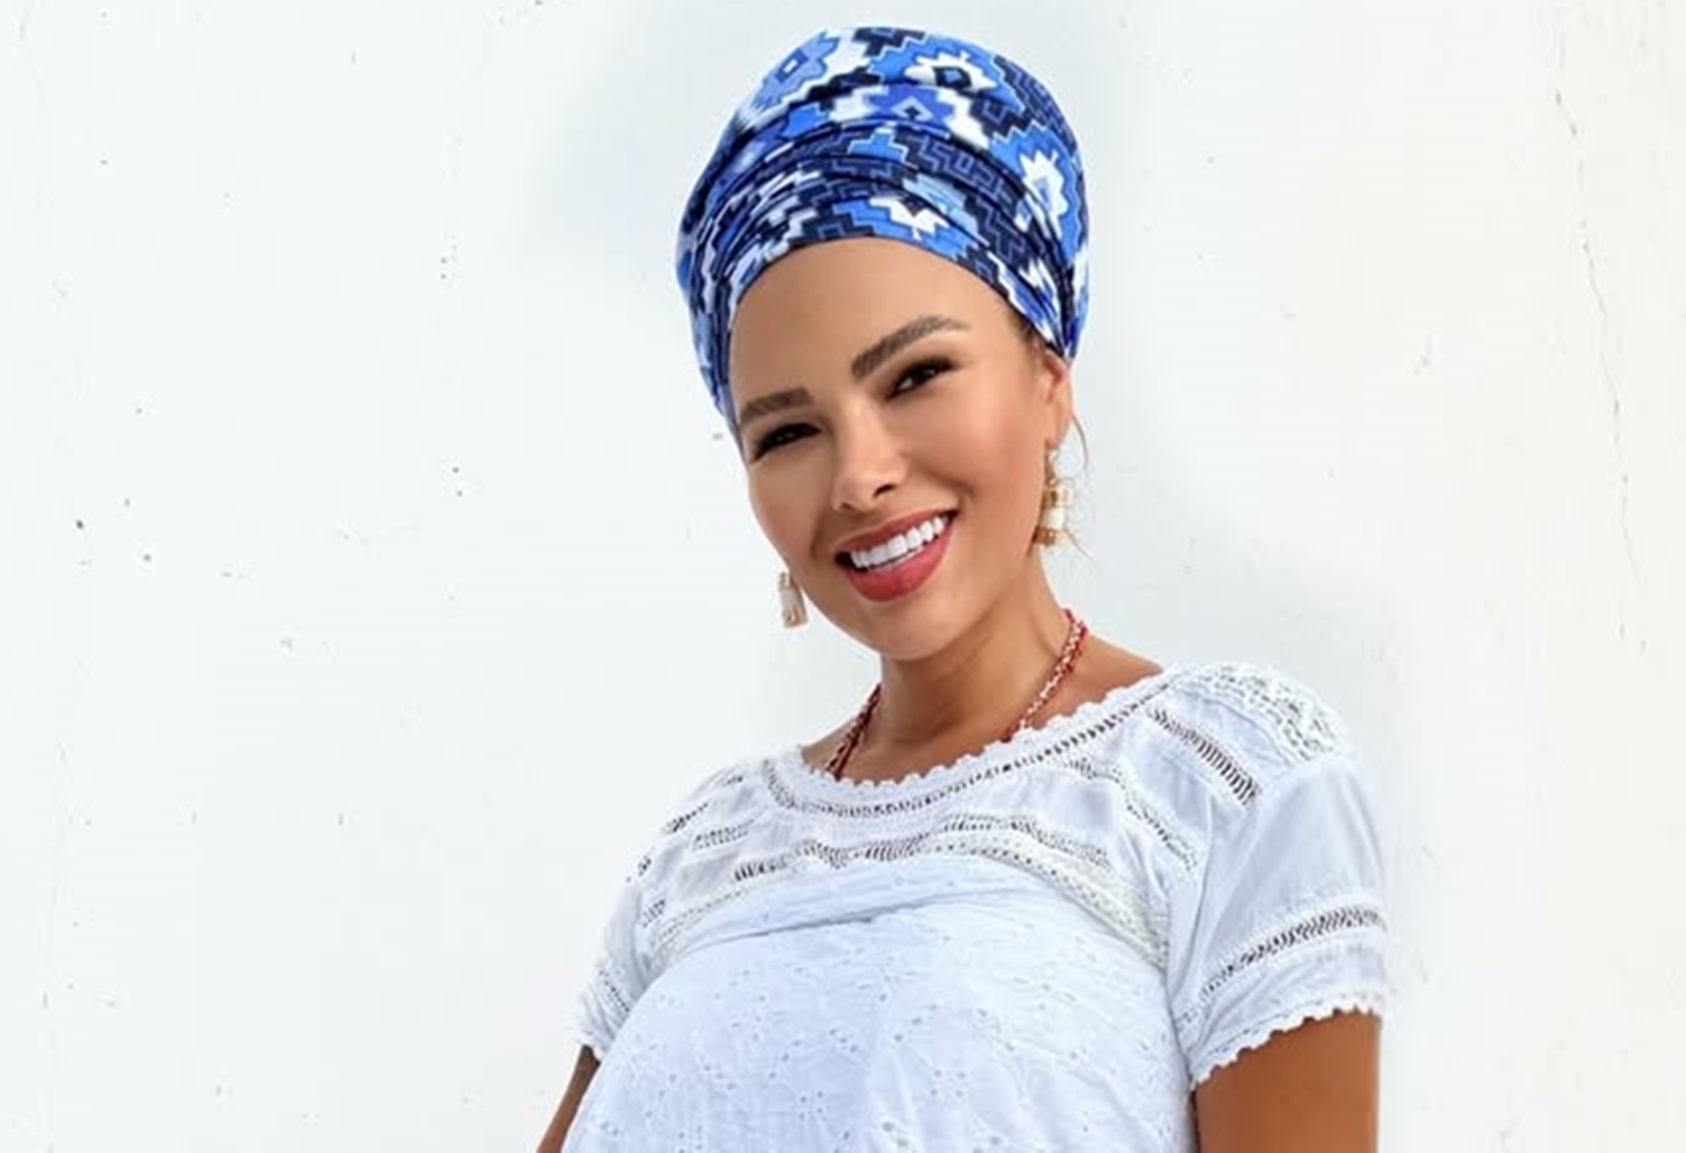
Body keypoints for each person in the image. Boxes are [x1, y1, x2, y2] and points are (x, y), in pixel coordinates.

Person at [539, 26, 1386, 1152]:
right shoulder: (703, 851)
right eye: (786, 432)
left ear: (1049, 376)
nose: (859, 475)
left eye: (917, 374)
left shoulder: (1223, 781)